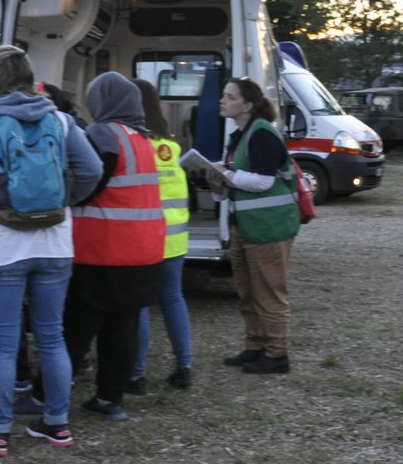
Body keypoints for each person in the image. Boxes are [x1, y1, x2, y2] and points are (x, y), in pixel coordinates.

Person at [0, 46, 103, 456]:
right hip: (54, 239)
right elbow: (92, 170)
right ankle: (57, 423)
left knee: (2, 341)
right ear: (33, 78)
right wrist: (68, 199)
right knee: (52, 337)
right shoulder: (61, 119)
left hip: (1, 243)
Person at [51, 71, 164, 420]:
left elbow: (91, 180)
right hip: (143, 250)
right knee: (122, 327)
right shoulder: (142, 137)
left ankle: (46, 398)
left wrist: (62, 199)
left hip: (103, 249)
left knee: (75, 329)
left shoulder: (103, 133)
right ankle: (109, 399)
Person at [206, 77, 300, 375]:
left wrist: (227, 174)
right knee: (247, 291)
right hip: (245, 225)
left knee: (269, 292)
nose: (222, 100)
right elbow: (234, 184)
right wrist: (217, 182)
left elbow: (263, 180)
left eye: (229, 96)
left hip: (268, 227)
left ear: (247, 105)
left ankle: (277, 354)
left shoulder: (263, 134)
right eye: (223, 95)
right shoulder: (239, 136)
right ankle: (255, 345)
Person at [128, 78, 193, 392]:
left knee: (139, 305)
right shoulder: (171, 147)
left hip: (146, 238)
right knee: (173, 299)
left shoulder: (136, 147)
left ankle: (137, 374)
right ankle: (184, 366)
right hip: (176, 238)